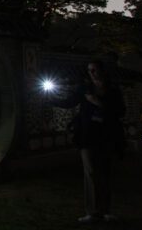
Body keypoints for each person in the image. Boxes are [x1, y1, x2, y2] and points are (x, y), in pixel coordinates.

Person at [55, 60, 126, 224]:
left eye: (94, 70)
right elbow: (69, 102)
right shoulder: (84, 89)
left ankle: (106, 210)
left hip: (107, 135)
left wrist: (98, 103)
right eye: (89, 70)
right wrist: (50, 98)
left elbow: (121, 111)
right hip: (87, 136)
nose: (92, 73)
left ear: (102, 71)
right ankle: (92, 211)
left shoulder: (113, 91)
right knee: (91, 172)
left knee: (105, 173)